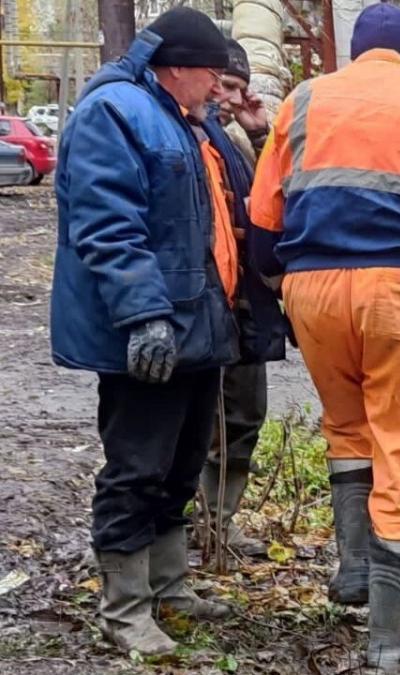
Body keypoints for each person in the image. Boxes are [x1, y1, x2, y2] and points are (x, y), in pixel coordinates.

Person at [249, 4, 400, 668]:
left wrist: (282, 290)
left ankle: (357, 571)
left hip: (311, 289)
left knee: (348, 427)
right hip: (395, 291)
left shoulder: (302, 102)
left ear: (355, 55)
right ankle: (390, 643)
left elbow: (263, 220)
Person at [50, 7, 237, 655]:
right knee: (137, 466)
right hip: (147, 332)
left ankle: (168, 584)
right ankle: (124, 608)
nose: (218, 86)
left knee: (182, 462)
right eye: (212, 73)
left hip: (192, 328)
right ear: (177, 66)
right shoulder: (116, 114)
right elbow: (108, 225)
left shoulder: (181, 119)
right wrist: (144, 316)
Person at [193, 38, 288, 559]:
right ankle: (191, 522)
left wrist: (259, 131)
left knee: (246, 414)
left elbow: (276, 192)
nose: (229, 97)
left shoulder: (234, 141)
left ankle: (218, 524)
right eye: (225, 85)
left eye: (238, 88)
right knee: (197, 421)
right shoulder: (188, 135)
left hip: (243, 306)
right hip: (202, 305)